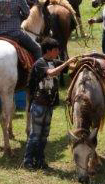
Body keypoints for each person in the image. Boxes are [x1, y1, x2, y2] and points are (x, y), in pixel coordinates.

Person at [23, 38, 71, 170]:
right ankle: (27, 161)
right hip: (39, 105)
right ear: (49, 51)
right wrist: (68, 62)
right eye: (56, 50)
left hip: (48, 105)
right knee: (35, 135)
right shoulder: (40, 63)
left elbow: (70, 67)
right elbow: (52, 73)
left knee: (44, 136)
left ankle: (39, 160)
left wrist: (78, 61)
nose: (58, 52)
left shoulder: (53, 62)